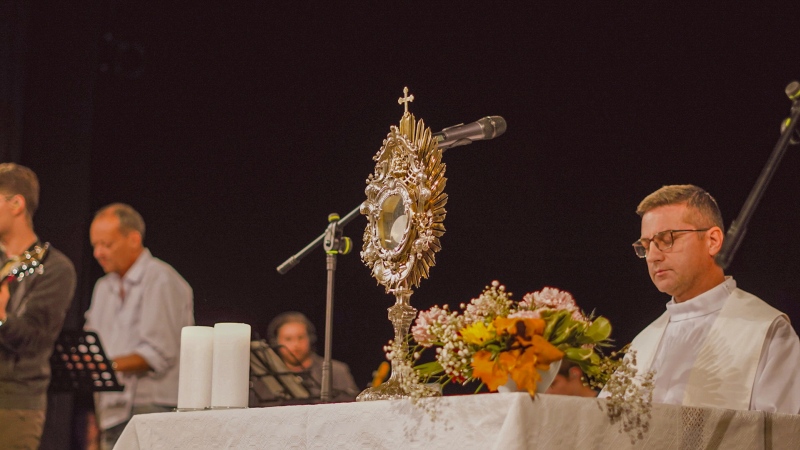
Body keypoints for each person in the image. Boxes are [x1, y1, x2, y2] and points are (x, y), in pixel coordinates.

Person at [600, 184, 800, 413]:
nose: (653, 256)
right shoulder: (643, 343)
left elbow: (783, 431)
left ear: (712, 241)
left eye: (666, 239)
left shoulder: (767, 331)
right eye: (646, 246)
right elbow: (605, 423)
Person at [84, 203, 194, 450]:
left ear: (133, 239)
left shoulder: (161, 279)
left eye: (106, 244)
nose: (98, 253)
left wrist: (106, 365)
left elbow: (160, 352)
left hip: (151, 408)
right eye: (94, 245)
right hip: (110, 410)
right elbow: (91, 341)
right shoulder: (103, 287)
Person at [0, 163, 77, 449]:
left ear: (16, 204)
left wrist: (1, 318)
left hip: (13, 405)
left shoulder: (55, 268)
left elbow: (35, 340)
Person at [266, 311, 359, 402]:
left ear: (310, 339)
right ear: (275, 343)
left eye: (300, 337)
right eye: (288, 339)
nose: (296, 344)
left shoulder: (336, 371)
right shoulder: (267, 376)